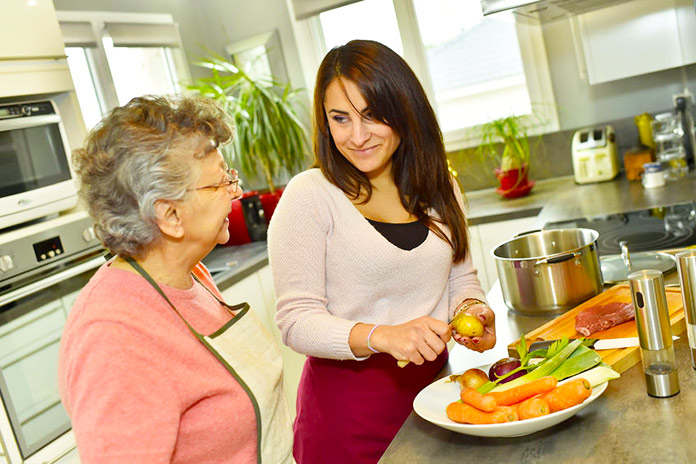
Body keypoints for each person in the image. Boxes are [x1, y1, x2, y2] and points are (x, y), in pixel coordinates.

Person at [267, 40, 496, 463]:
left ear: (404, 110)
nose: (357, 136)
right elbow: (295, 321)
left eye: (372, 115)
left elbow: (460, 279)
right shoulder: (310, 196)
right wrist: (383, 336)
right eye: (340, 119)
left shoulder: (440, 187)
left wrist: (474, 311)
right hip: (347, 421)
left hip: (440, 399)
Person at [58, 95, 293, 463]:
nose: (236, 193)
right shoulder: (113, 339)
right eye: (220, 184)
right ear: (169, 215)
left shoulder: (187, 273)